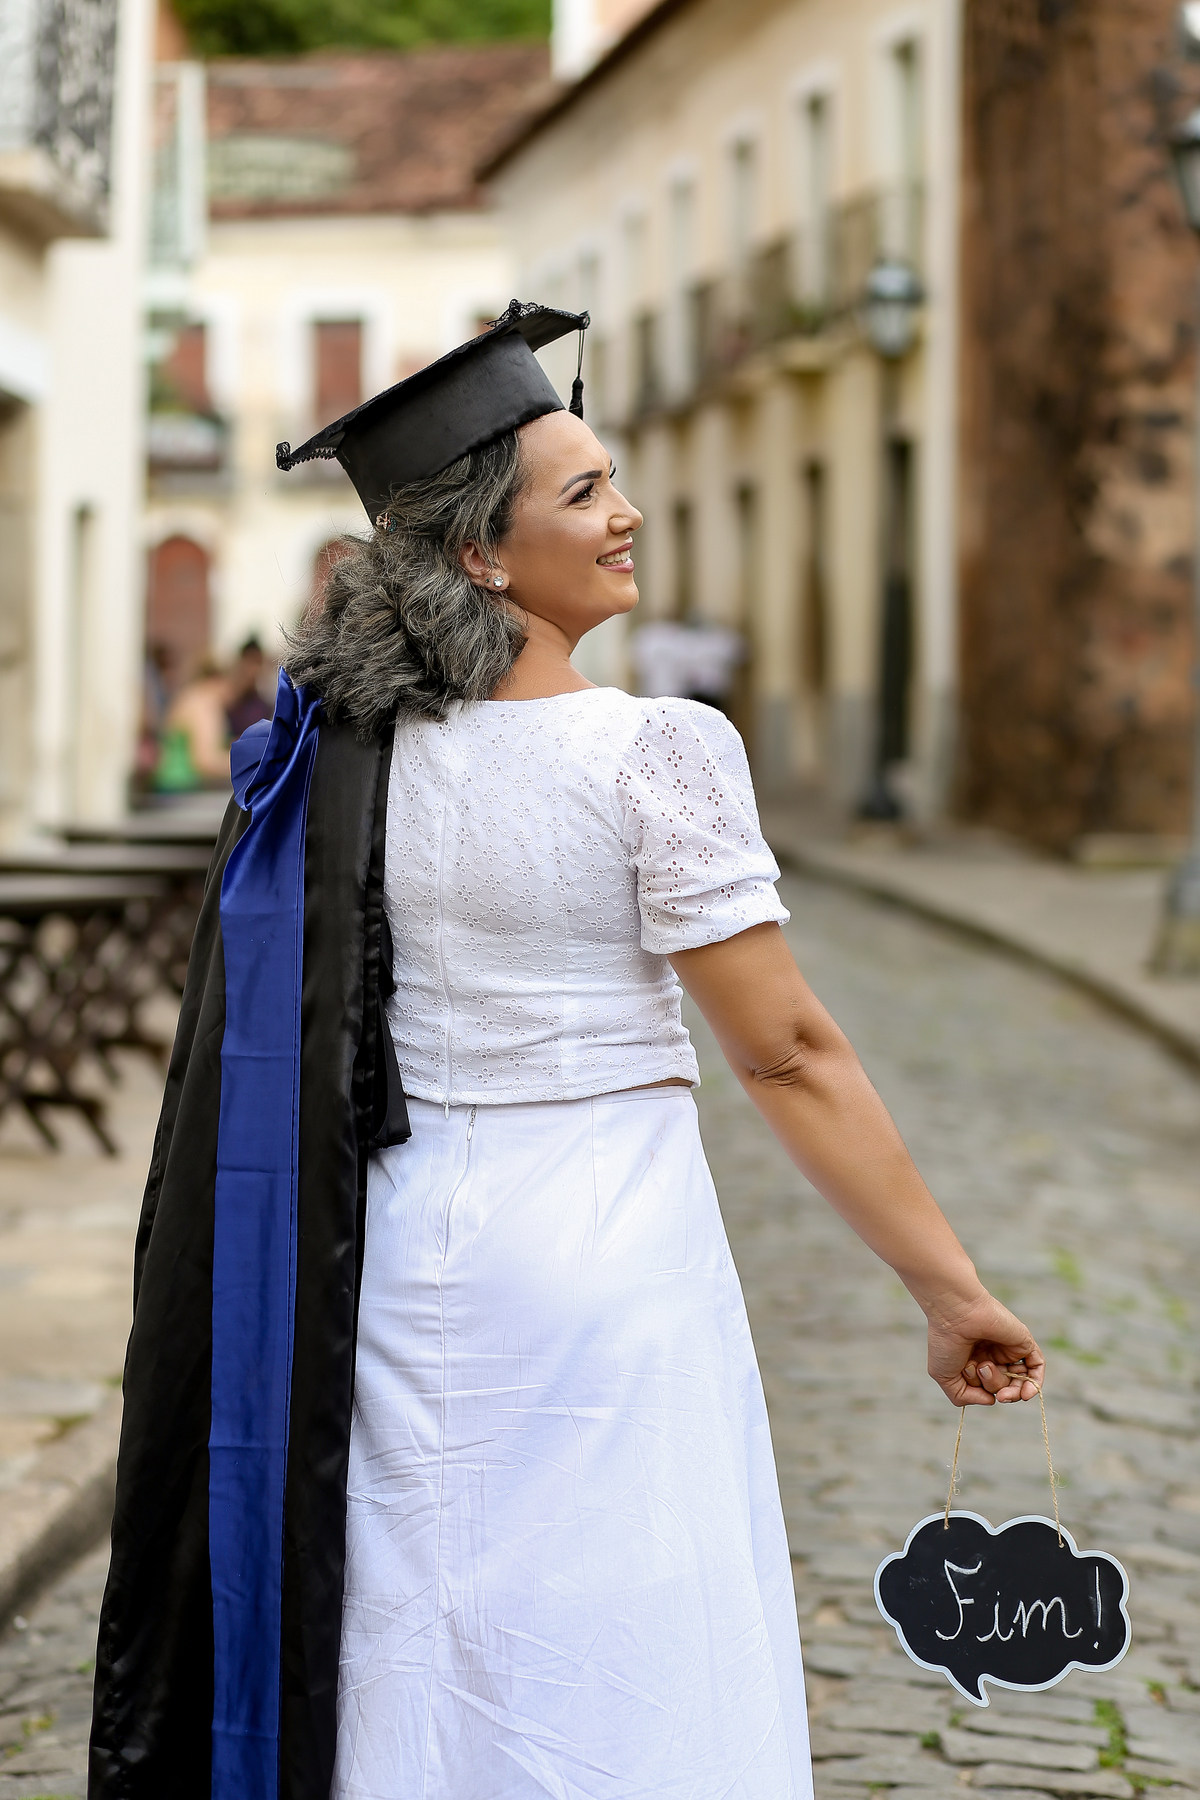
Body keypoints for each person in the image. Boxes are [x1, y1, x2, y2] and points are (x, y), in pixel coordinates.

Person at [90, 301, 1045, 1800]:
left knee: (416, 1634)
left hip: (397, 1263)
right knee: (621, 1641)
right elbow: (788, 1051)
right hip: (606, 1257)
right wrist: (949, 1288)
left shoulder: (349, 761)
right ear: (480, 550)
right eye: (586, 492)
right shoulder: (656, 751)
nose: (629, 513)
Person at [225, 635, 273, 740]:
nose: (254, 670)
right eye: (250, 662)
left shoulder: (265, 706)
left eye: (258, 663)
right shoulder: (227, 702)